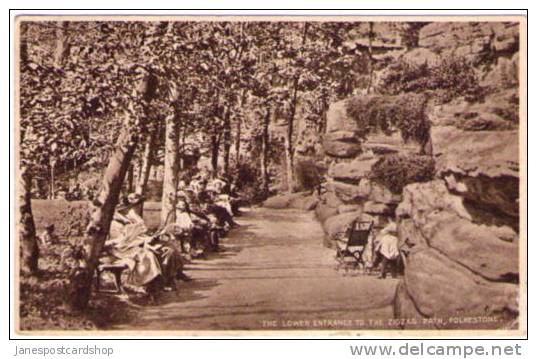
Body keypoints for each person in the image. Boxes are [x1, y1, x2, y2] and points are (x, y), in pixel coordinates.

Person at [103, 193, 187, 296]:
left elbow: (137, 234)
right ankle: (149, 283)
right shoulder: (112, 223)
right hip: (120, 249)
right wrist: (142, 239)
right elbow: (119, 241)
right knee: (149, 254)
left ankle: (166, 279)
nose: (127, 211)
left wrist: (149, 237)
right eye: (121, 210)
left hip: (134, 244)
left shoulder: (129, 219)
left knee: (168, 249)